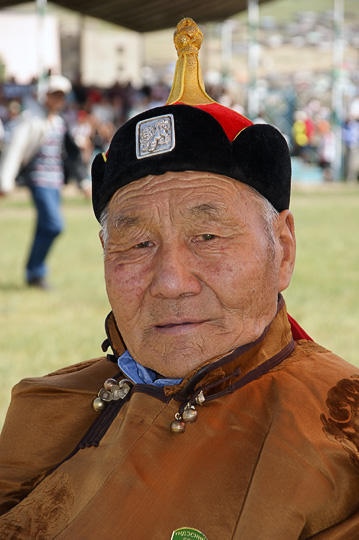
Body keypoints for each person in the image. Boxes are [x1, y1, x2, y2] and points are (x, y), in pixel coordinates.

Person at [0, 18, 358, 540]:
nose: (169, 282)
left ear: (282, 249)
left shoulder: (340, 437)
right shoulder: (48, 406)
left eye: (207, 237)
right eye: (137, 243)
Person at [0, 75, 89, 289]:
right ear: (46, 95)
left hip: (55, 183)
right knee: (54, 225)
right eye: (54, 95)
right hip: (39, 181)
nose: (58, 99)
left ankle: (34, 274)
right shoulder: (33, 120)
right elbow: (16, 149)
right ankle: (36, 269)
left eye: (62, 96)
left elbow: (73, 154)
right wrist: (5, 181)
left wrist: (84, 180)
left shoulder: (59, 122)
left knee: (44, 228)